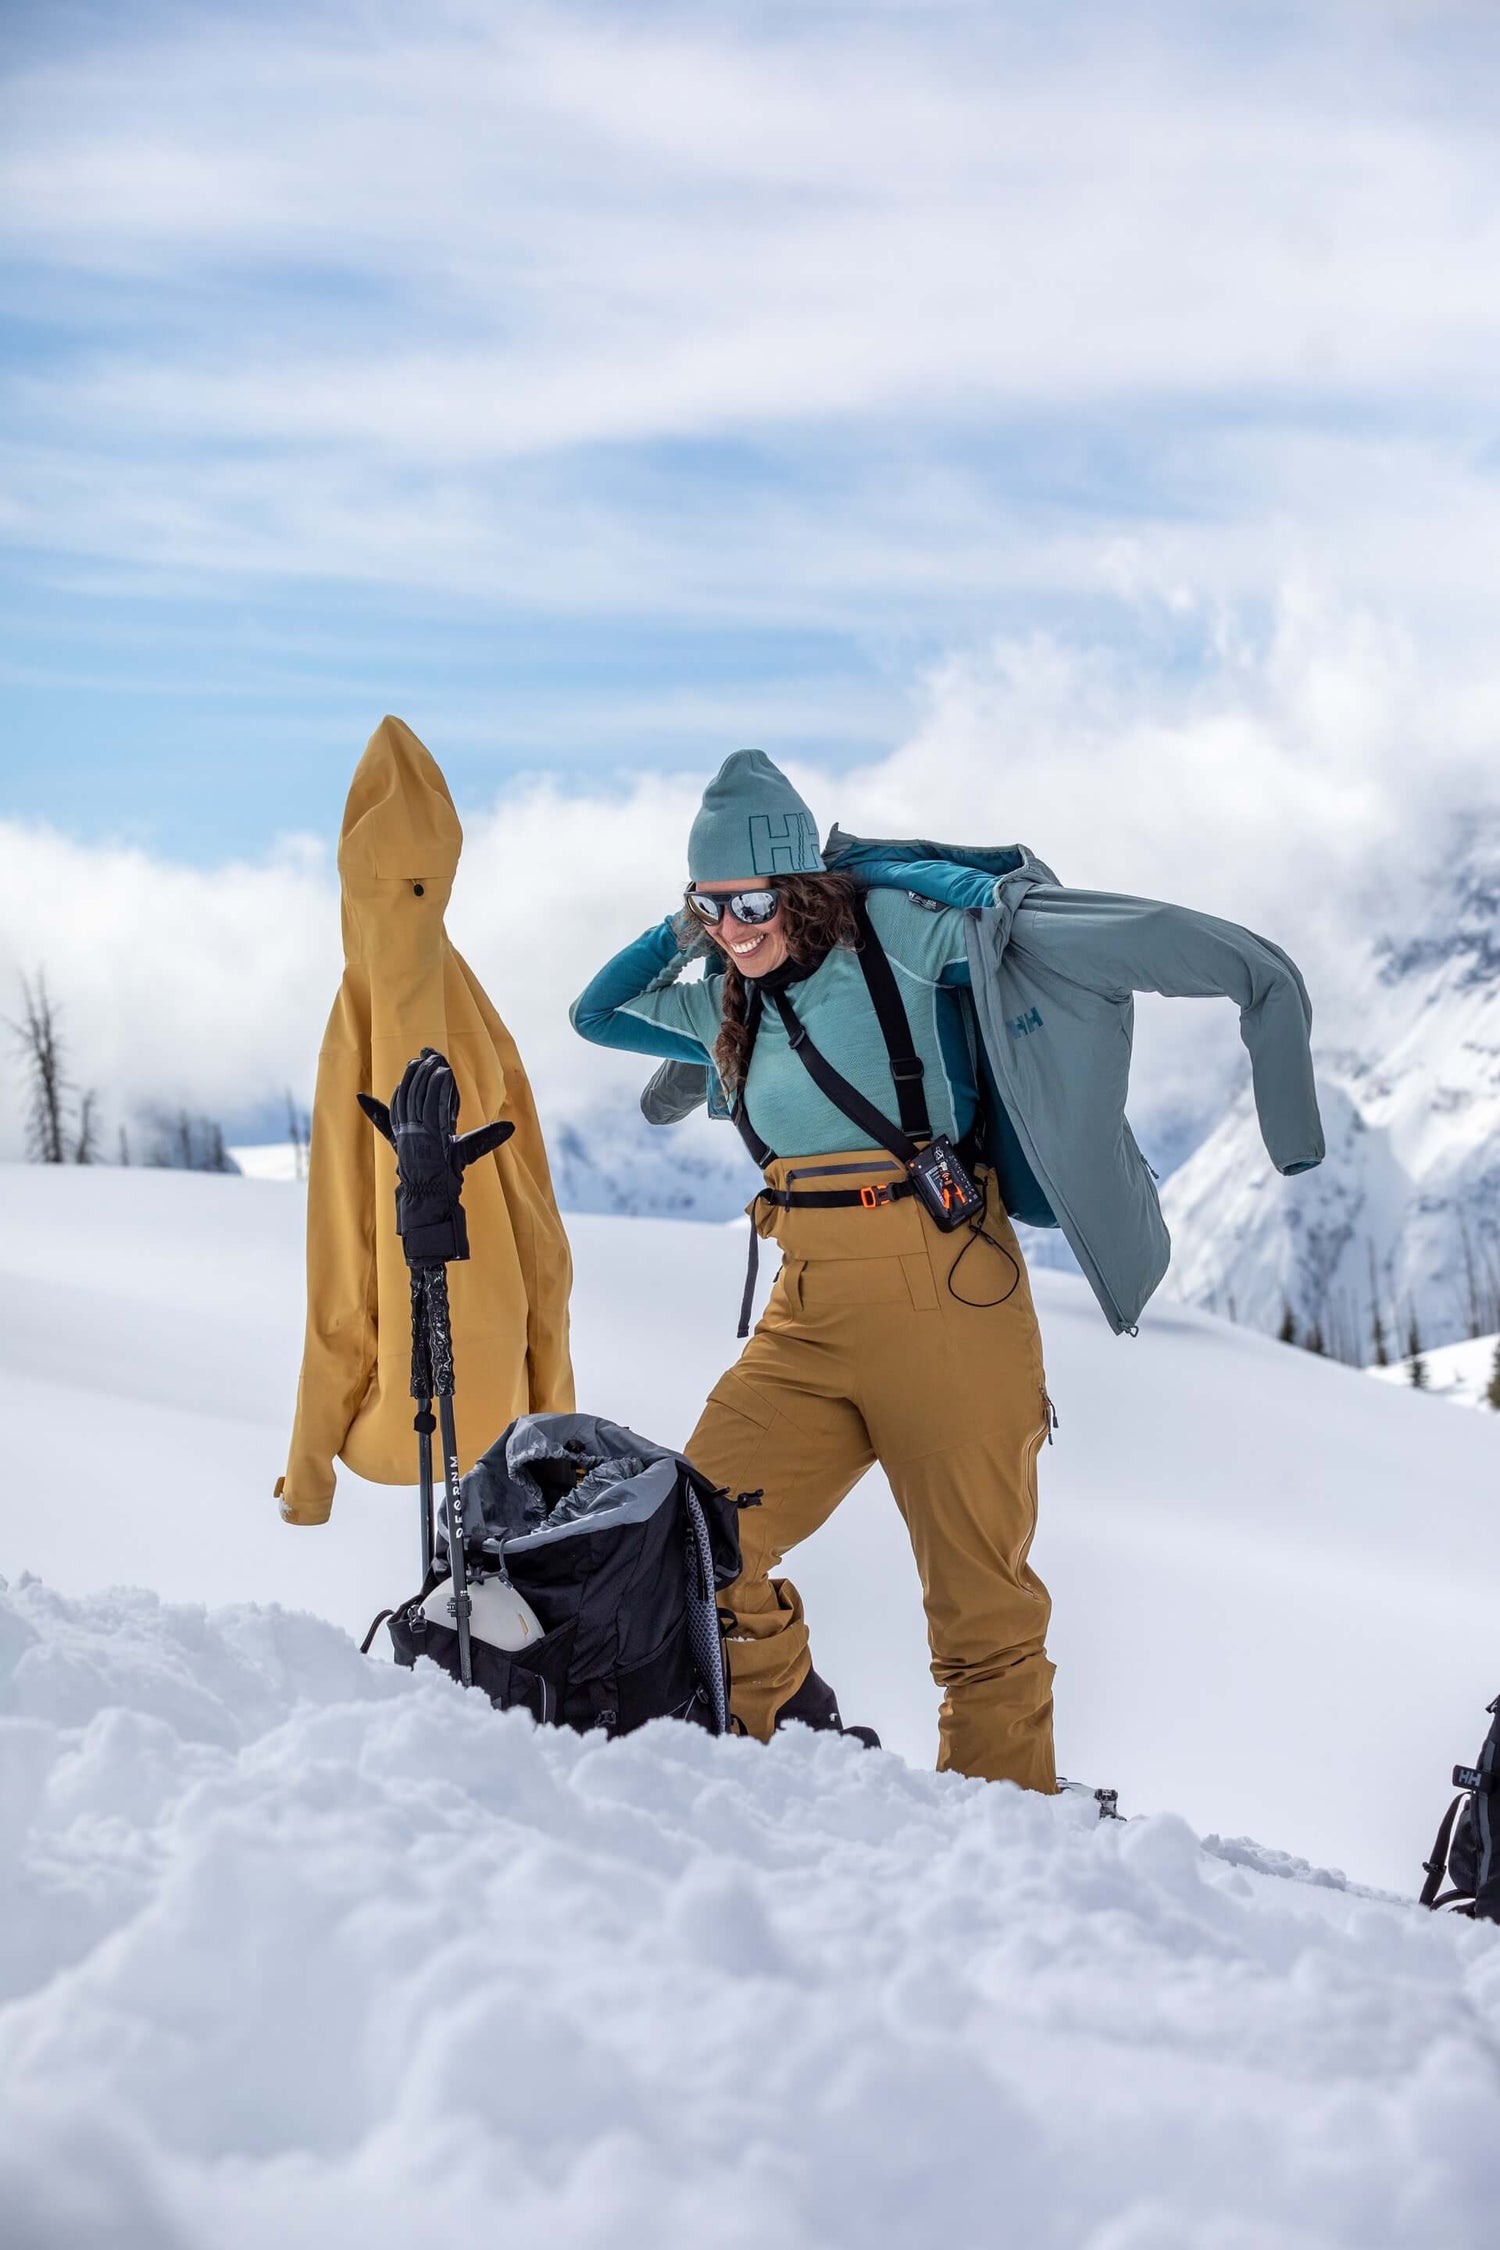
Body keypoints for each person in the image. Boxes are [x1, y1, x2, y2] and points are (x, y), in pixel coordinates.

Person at [570, 751, 1324, 1789]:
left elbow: (1098, 942)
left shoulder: (905, 940)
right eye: (714, 904)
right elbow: (595, 1014)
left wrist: (1267, 1000)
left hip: (949, 1294)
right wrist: (692, 924)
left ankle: (1002, 1844)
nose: (737, 925)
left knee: (983, 1617)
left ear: (801, 884)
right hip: (807, 1311)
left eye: (753, 898)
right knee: (694, 1543)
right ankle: (796, 1752)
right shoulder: (724, 1003)